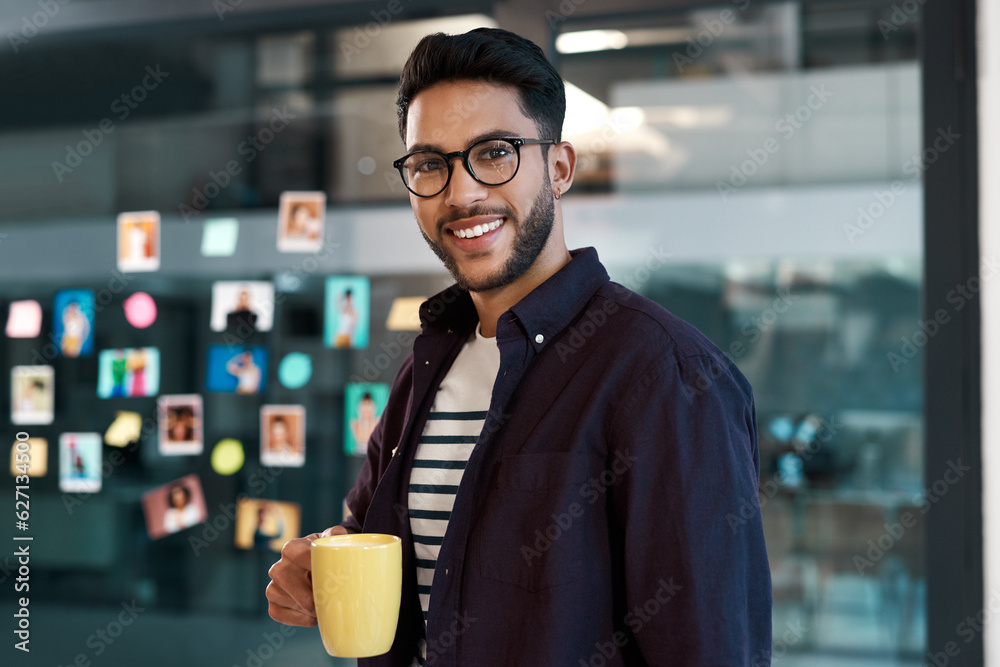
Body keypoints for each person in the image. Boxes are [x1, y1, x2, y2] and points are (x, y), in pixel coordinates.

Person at [267, 28, 771, 666]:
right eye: (430, 164)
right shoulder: (428, 364)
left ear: (558, 168)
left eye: (495, 152)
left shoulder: (666, 374)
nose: (462, 192)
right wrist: (317, 568)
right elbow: (376, 543)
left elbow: (709, 649)